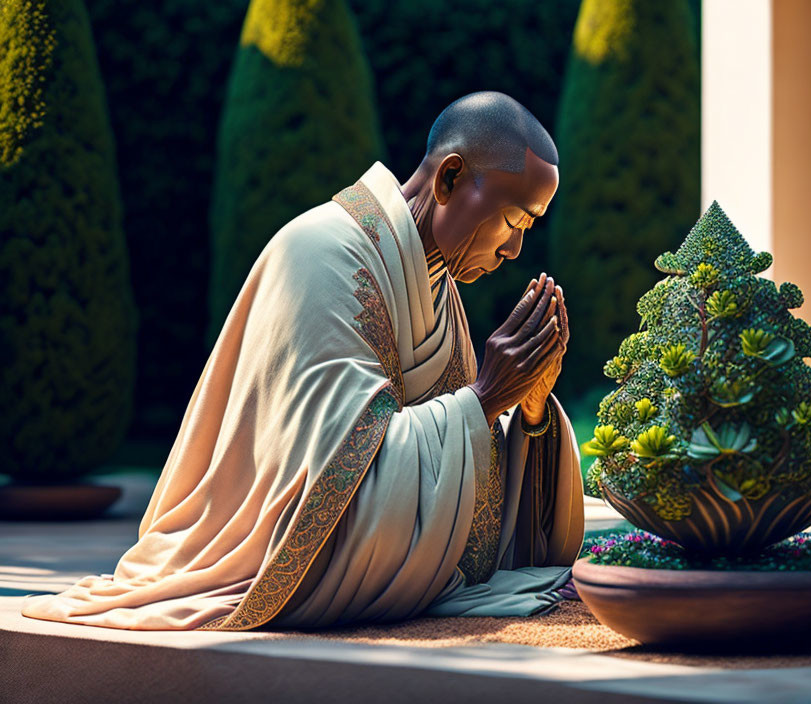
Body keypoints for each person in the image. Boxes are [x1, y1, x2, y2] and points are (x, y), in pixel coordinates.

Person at [20, 91, 584, 631]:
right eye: (513, 223)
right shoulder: (321, 256)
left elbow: (459, 470)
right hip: (273, 551)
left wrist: (528, 410)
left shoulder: (439, 286)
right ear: (450, 179)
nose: (513, 251)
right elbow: (337, 484)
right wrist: (484, 398)